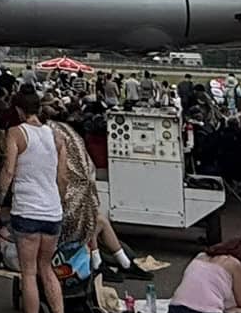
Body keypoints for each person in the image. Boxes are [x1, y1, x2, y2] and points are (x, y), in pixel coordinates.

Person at [45, 99, 158, 277]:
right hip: (62, 212)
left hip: (57, 209)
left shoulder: (50, 139)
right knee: (91, 221)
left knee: (94, 220)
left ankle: (114, 262)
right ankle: (118, 263)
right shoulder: (72, 143)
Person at [0, 86, 71, 313]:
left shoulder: (16, 133)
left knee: (28, 272)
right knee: (47, 268)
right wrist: (59, 202)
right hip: (52, 212)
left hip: (27, 210)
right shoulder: (57, 137)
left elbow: (8, 170)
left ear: (18, 110)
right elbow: (62, 178)